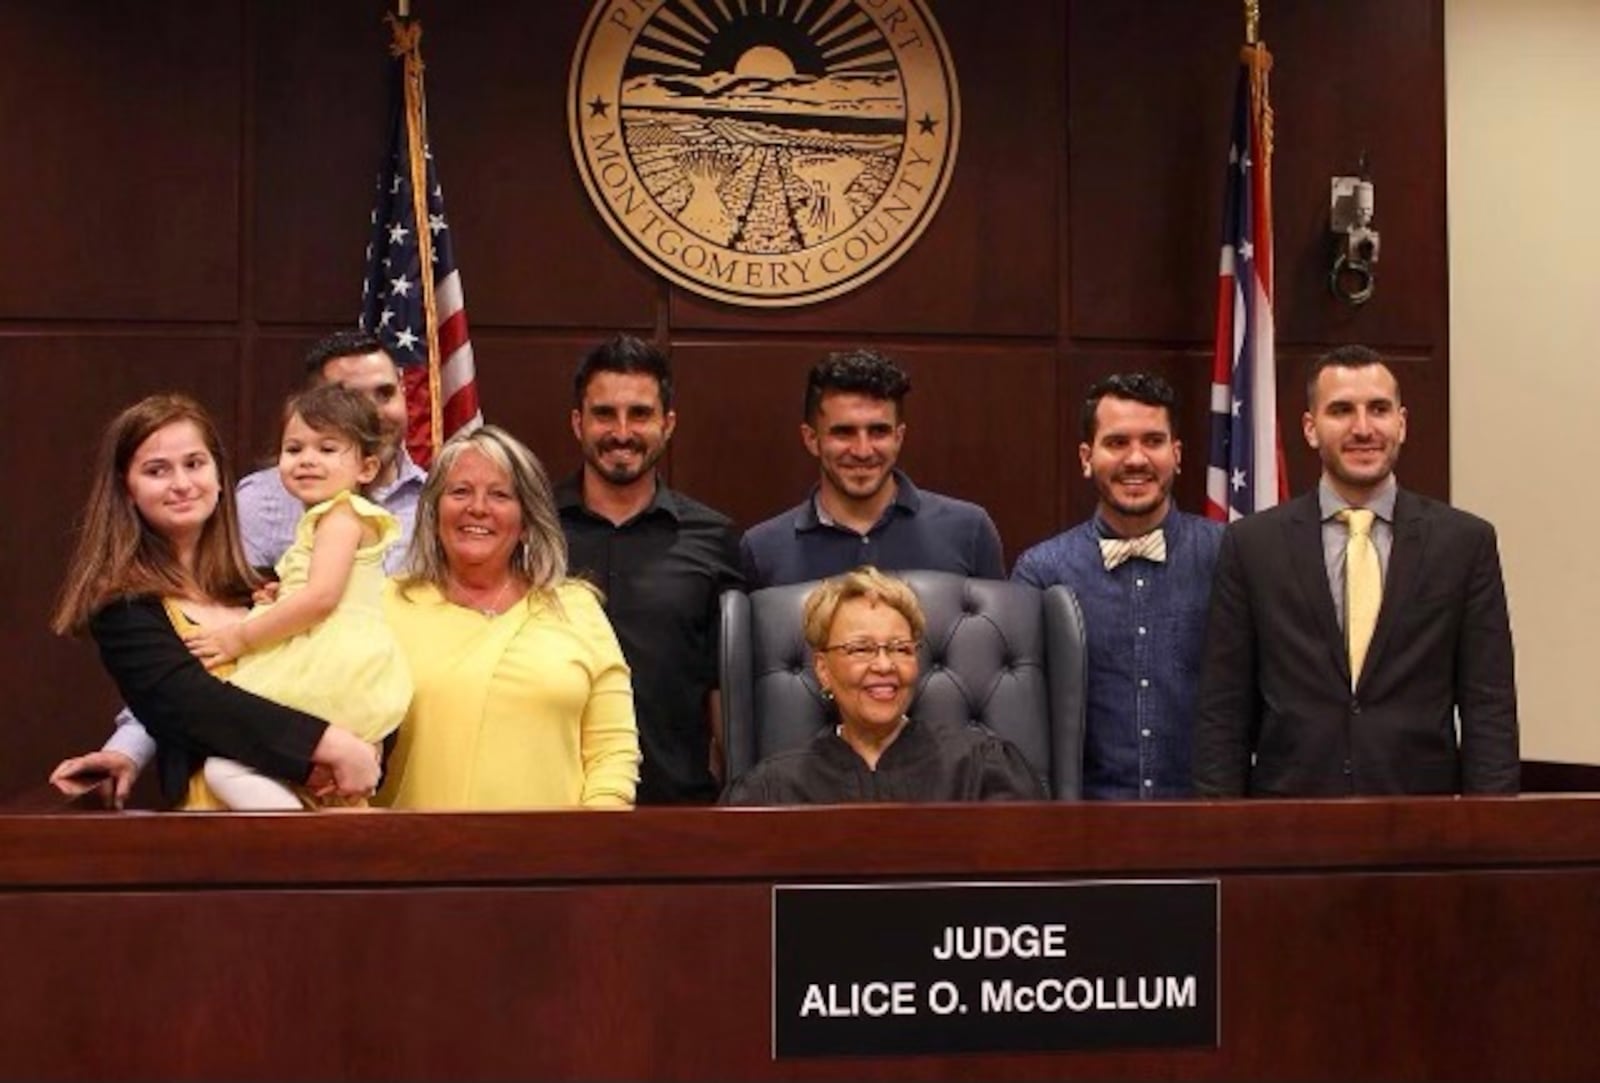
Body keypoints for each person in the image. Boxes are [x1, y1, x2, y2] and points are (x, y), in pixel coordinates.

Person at [53, 329, 428, 797]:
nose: (181, 483)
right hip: (216, 828)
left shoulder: (259, 587)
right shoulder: (124, 605)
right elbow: (188, 702)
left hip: (334, 805)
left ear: (218, 475)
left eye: (195, 463)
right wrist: (332, 745)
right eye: (156, 470)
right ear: (127, 489)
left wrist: (367, 742)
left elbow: (348, 658)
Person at [1192, 345, 1519, 797]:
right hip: (1288, 826)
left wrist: (1492, 839)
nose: (1362, 428)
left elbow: (1490, 710)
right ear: (1310, 428)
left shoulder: (1465, 544)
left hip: (1423, 827)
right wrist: (1221, 836)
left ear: (1401, 423)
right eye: (1341, 410)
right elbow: (1222, 712)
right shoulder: (1252, 546)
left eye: (1378, 410)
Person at [377, 425, 641, 809]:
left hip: (553, 859)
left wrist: (590, 846)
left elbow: (612, 752)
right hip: (416, 857)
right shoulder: (386, 605)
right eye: (460, 491)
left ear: (527, 521)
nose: (478, 508)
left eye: (499, 495)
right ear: (434, 512)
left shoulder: (576, 608)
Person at [182, 385, 412, 809]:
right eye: (294, 448)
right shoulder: (327, 519)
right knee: (301, 779)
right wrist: (280, 596)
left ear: (366, 467)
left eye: (327, 448)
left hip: (329, 664)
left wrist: (239, 638)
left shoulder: (340, 517)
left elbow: (321, 598)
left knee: (227, 764)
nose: (306, 459)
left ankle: (299, 839)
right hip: (326, 654)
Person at [1012, 373, 1221, 798]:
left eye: (1153, 441)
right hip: (1087, 828)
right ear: (1086, 457)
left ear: (1177, 454)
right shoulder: (1040, 571)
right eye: (1117, 442)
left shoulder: (1229, 556)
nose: (1136, 459)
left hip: (1207, 822)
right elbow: (1023, 718)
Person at [556, 335, 742, 804]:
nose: (622, 431)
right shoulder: (532, 530)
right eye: (604, 414)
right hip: (553, 799)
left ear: (668, 424)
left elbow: (724, 685)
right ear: (578, 423)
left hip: (678, 805)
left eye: (640, 414)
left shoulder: (714, 539)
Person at [720, 567, 1044, 804]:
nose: (885, 666)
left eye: (900, 649)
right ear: (823, 669)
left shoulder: (979, 769)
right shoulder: (773, 789)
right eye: (861, 649)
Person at [739, 350, 1005, 588]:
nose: (863, 451)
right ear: (811, 439)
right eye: (844, 432)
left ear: (899, 437)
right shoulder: (763, 549)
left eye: (878, 431)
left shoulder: (969, 530)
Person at [237, 329, 426, 574]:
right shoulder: (259, 501)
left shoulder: (436, 501)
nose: (375, 414)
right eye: (351, 399)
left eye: (385, 394)